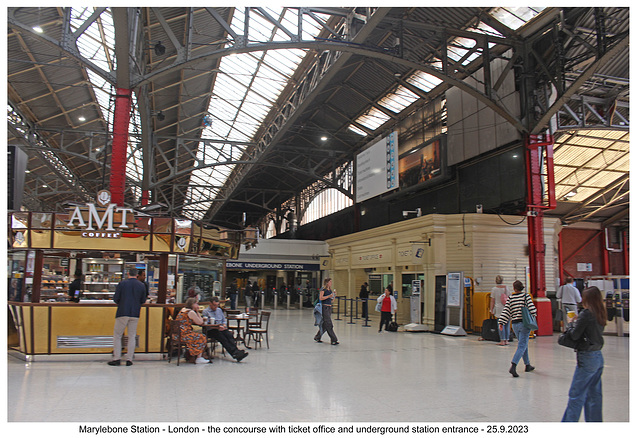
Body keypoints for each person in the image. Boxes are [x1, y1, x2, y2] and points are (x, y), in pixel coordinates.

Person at [561, 286, 607, 422]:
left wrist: (571, 323)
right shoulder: (600, 312)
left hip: (587, 358)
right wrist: (578, 319)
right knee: (594, 395)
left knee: (576, 394)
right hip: (598, 356)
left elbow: (575, 336)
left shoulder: (586, 314)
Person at [108, 268, 147, 366]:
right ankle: (129, 359)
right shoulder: (141, 285)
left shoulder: (122, 284)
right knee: (132, 336)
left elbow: (116, 299)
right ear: (137, 275)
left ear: (128, 273)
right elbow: (143, 300)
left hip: (122, 312)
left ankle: (117, 358)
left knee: (117, 335)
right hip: (135, 313)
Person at [498, 280, 537, 377]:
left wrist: (501, 322)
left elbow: (506, 310)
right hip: (524, 324)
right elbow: (532, 308)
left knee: (523, 344)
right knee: (522, 345)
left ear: (514, 288)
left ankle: (527, 365)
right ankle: (513, 366)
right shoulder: (526, 296)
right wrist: (534, 314)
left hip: (515, 324)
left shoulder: (511, 298)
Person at [201, 296, 249, 362]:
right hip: (211, 330)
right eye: (214, 305)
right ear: (210, 304)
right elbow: (206, 324)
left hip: (221, 328)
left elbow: (224, 320)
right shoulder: (205, 311)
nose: (215, 307)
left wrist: (223, 325)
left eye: (217, 305)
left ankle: (236, 351)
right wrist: (217, 327)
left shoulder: (219, 310)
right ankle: (234, 353)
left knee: (229, 335)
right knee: (222, 338)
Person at [174, 297, 209, 364]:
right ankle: (198, 357)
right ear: (192, 304)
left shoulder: (183, 309)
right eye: (196, 304)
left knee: (197, 335)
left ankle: (193, 354)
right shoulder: (191, 312)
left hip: (177, 335)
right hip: (184, 335)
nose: (198, 305)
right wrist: (197, 312)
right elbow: (200, 322)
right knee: (202, 336)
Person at [313, 278, 338, 345]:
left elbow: (332, 301)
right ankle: (333, 339)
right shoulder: (323, 290)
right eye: (330, 282)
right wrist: (328, 296)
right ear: (327, 282)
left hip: (329, 307)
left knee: (325, 324)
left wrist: (334, 296)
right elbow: (321, 298)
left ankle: (317, 337)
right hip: (325, 307)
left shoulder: (330, 290)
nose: (331, 283)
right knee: (329, 324)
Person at [489, 275, 510, 345]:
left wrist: (491, 309)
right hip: (507, 308)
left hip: (499, 309)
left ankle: (502, 340)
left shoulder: (494, 289)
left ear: (495, 281)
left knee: (501, 325)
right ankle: (507, 340)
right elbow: (510, 297)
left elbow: (492, 300)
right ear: (502, 281)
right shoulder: (506, 288)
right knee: (507, 325)